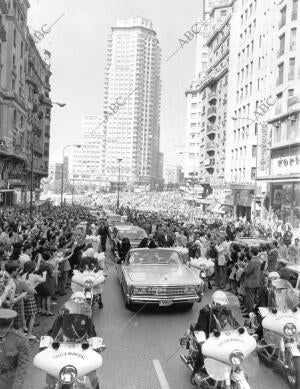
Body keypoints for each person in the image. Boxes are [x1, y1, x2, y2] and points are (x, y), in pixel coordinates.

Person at [46, 301, 99, 389]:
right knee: (51, 371)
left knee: (92, 373)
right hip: (64, 347)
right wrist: (47, 341)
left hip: (82, 348)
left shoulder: (87, 317)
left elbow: (92, 334)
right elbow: (53, 332)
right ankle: (50, 385)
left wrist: (95, 345)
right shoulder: (63, 316)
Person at [191, 291, 238, 382]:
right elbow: (201, 328)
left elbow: (234, 323)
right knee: (202, 353)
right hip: (205, 336)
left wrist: (241, 330)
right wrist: (202, 340)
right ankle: (195, 374)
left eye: (223, 305)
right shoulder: (206, 311)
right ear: (213, 303)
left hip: (219, 337)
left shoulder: (226, 311)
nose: (221, 307)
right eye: (219, 305)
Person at [0, 308, 30, 389]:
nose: (1, 330)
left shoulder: (20, 340)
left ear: (11, 324)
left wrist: (17, 386)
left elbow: (22, 366)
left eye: (4, 328)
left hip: (9, 380)